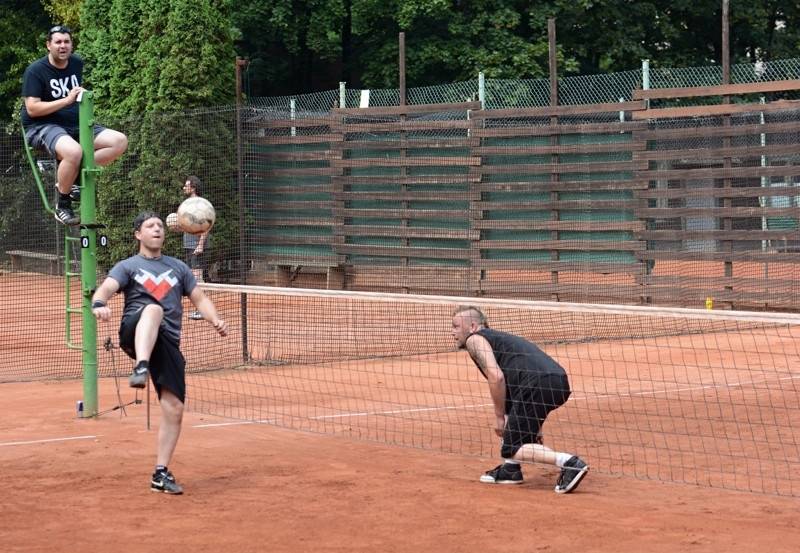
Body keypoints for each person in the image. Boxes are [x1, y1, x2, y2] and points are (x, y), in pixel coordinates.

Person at [91, 210, 228, 494]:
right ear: (138, 234)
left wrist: (215, 319)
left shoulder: (178, 267)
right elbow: (105, 289)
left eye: (160, 226)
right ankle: (141, 366)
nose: (157, 229)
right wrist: (99, 304)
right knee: (153, 308)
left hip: (167, 341)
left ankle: (160, 472)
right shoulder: (128, 266)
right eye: (150, 226)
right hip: (134, 329)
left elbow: (199, 298)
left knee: (174, 408)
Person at [451, 306, 589, 493]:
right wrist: (535, 428)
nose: (453, 332)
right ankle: (511, 469)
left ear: (473, 326)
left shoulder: (474, 340)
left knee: (511, 447)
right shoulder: (500, 340)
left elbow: (496, 377)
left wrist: (499, 417)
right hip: (557, 382)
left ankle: (570, 463)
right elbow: (512, 390)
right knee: (515, 428)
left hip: (535, 386)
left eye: (456, 326)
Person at [21, 25, 128, 226]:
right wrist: (66, 100)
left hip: (74, 124)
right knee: (73, 151)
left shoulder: (76, 63)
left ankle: (72, 177)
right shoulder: (35, 71)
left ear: (72, 44)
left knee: (119, 141)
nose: (63, 46)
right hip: (44, 125)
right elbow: (32, 109)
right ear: (48, 45)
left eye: (67, 42)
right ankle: (62, 204)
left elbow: (74, 94)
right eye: (58, 42)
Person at [181, 176, 210, 320]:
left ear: (193, 187)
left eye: (186, 186)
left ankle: (203, 310)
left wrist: (200, 245)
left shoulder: (200, 205)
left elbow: (206, 225)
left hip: (197, 246)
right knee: (194, 278)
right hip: (188, 245)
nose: (184, 188)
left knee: (198, 278)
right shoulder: (187, 204)